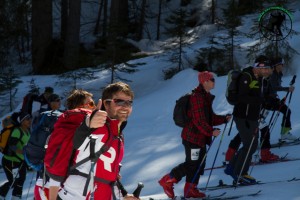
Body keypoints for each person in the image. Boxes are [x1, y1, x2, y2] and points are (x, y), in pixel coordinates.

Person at [56, 82, 139, 200]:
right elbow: (76, 144)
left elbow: (109, 174)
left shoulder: (118, 135)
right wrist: (87, 125)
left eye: (129, 102)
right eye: (119, 101)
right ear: (106, 103)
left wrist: (124, 195)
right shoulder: (97, 126)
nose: (125, 106)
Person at [158, 71, 231, 199]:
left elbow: (209, 118)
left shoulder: (205, 96)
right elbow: (199, 121)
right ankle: (167, 180)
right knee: (192, 164)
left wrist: (223, 119)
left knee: (199, 164)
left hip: (200, 138)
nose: (214, 81)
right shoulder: (197, 97)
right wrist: (211, 131)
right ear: (205, 82)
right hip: (192, 138)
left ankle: (191, 189)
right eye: (212, 79)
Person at [34, 89, 95, 200]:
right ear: (80, 106)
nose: (94, 107)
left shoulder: (72, 125)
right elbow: (57, 164)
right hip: (54, 191)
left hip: (56, 188)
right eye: (91, 104)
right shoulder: (69, 127)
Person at [224, 55, 272, 185]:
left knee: (251, 144)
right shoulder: (246, 76)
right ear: (257, 66)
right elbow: (241, 97)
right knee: (250, 145)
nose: (266, 70)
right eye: (264, 68)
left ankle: (232, 168)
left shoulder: (260, 78)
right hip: (242, 116)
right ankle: (240, 173)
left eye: (267, 68)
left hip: (252, 116)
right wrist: (258, 100)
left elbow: (259, 96)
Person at [0, 113, 32, 200]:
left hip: (20, 162)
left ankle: (16, 198)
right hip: (10, 162)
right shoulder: (17, 131)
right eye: (27, 119)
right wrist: (23, 152)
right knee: (13, 182)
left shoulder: (28, 131)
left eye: (30, 118)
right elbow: (12, 146)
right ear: (21, 121)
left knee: (21, 181)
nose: (30, 120)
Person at [266, 57, 296, 140]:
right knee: (259, 120)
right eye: (281, 64)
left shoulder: (278, 74)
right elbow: (274, 87)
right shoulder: (272, 74)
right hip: (266, 101)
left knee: (286, 111)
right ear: (277, 65)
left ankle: (285, 133)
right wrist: (287, 89)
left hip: (272, 99)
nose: (283, 65)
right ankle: (248, 138)